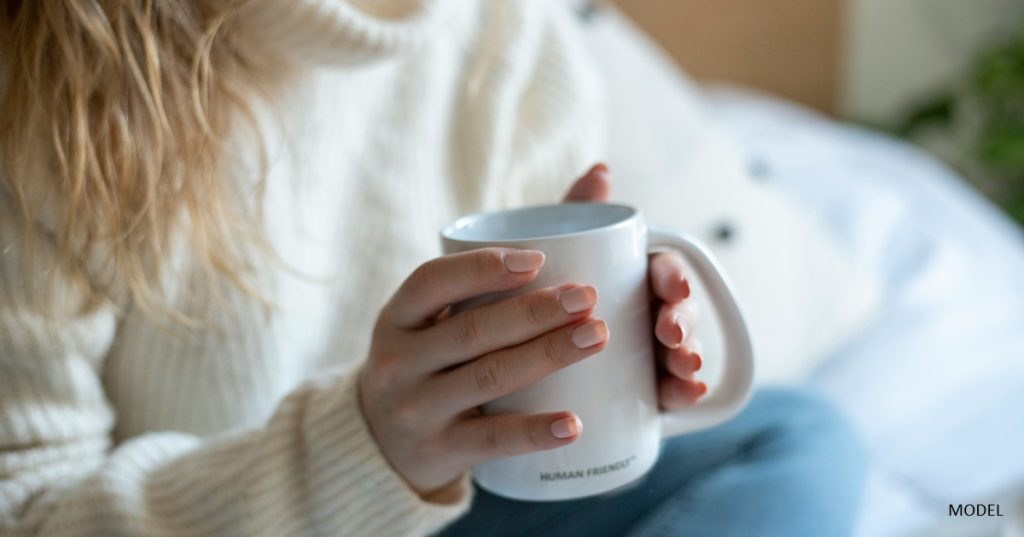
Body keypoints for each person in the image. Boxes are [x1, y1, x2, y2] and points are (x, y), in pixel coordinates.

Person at [0, 1, 865, 535]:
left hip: (462, 512)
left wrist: (627, 367)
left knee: (797, 439)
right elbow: (24, 510)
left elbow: (539, 428)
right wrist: (365, 447)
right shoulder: (45, 84)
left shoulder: (513, 33)